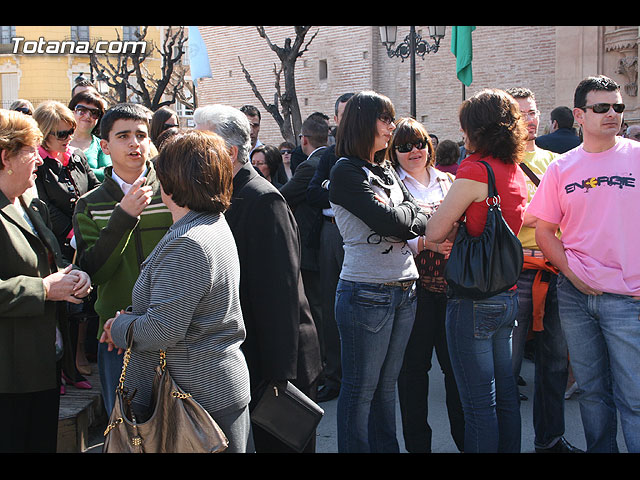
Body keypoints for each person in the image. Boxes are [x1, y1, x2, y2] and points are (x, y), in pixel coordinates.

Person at [101, 129, 253, 453]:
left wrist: (119, 328)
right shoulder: (210, 223)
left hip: (195, 399)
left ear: (172, 181)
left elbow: (162, 330)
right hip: (209, 389)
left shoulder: (189, 241)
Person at [193, 104, 322, 453]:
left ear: (231, 152)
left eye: (201, 142)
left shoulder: (262, 199)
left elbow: (281, 295)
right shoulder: (225, 194)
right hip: (253, 357)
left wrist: (280, 378)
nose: (193, 151)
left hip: (278, 365)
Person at [528, 75, 640, 453]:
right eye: (602, 108)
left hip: (629, 298)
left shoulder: (637, 157)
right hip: (575, 296)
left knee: (635, 397)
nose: (613, 114)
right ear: (579, 114)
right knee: (592, 392)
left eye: (618, 107)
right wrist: (573, 275)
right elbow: (545, 232)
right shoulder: (561, 168)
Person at [425, 88, 528, 453]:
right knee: (504, 397)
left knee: (478, 404)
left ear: (476, 128)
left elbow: (434, 231)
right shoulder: (513, 169)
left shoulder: (474, 170)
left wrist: (448, 228)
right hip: (507, 295)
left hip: (472, 299)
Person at [328, 91, 428, 453]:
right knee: (360, 389)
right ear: (363, 122)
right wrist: (406, 219)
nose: (392, 126)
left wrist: (405, 218)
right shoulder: (345, 170)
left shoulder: (384, 169)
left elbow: (419, 215)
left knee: (387, 386)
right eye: (385, 119)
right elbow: (397, 223)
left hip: (405, 288)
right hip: (366, 292)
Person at [0, 109, 92, 452]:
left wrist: (73, 276)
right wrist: (43, 289)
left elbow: (51, 260)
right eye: (31, 152)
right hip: (9, 375)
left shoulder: (28, 201)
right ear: (6, 157)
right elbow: (38, 283)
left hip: (44, 364)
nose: (39, 160)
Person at [72, 103, 173, 415]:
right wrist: (124, 217)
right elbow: (95, 272)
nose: (134, 143)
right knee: (126, 428)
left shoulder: (174, 192)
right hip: (116, 336)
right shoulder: (90, 205)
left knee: (181, 430)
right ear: (105, 145)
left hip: (172, 330)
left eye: (141, 135)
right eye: (124, 136)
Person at [505, 87, 583, 454]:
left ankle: (549, 441)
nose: (530, 119)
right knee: (507, 368)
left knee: (553, 364)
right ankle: (503, 443)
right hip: (515, 273)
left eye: (533, 112)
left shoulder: (557, 161)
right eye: (521, 113)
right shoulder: (498, 164)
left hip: (557, 270)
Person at [389, 117, 465, 453]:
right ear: (394, 153)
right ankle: (418, 447)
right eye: (403, 146)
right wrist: (426, 243)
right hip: (412, 291)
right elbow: (390, 234)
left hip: (452, 290)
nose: (413, 151)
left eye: (419, 143)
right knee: (413, 373)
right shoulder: (392, 185)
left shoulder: (450, 181)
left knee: (456, 371)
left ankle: (466, 442)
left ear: (429, 145)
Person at [306, 92, 353, 403]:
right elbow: (313, 194)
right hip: (332, 234)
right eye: (345, 114)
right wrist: (345, 192)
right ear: (336, 120)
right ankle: (334, 375)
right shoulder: (330, 156)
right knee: (331, 306)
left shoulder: (381, 155)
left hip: (367, 239)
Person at [280, 113, 330, 351]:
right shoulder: (333, 160)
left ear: (304, 140)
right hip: (327, 244)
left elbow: (284, 196)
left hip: (313, 246)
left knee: (316, 307)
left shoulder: (311, 166)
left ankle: (321, 359)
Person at [33, 100, 101, 262]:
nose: (69, 137)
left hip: (87, 235)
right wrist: (72, 232)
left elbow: (95, 186)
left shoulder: (77, 155)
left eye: (71, 131)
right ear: (44, 134)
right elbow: (43, 205)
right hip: (57, 245)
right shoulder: (37, 164)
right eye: (62, 134)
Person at [69, 90, 111, 182]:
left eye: (94, 113)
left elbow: (107, 173)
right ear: (72, 112)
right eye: (81, 111)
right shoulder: (59, 140)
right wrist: (93, 171)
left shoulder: (101, 145)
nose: (88, 116)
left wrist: (73, 171)